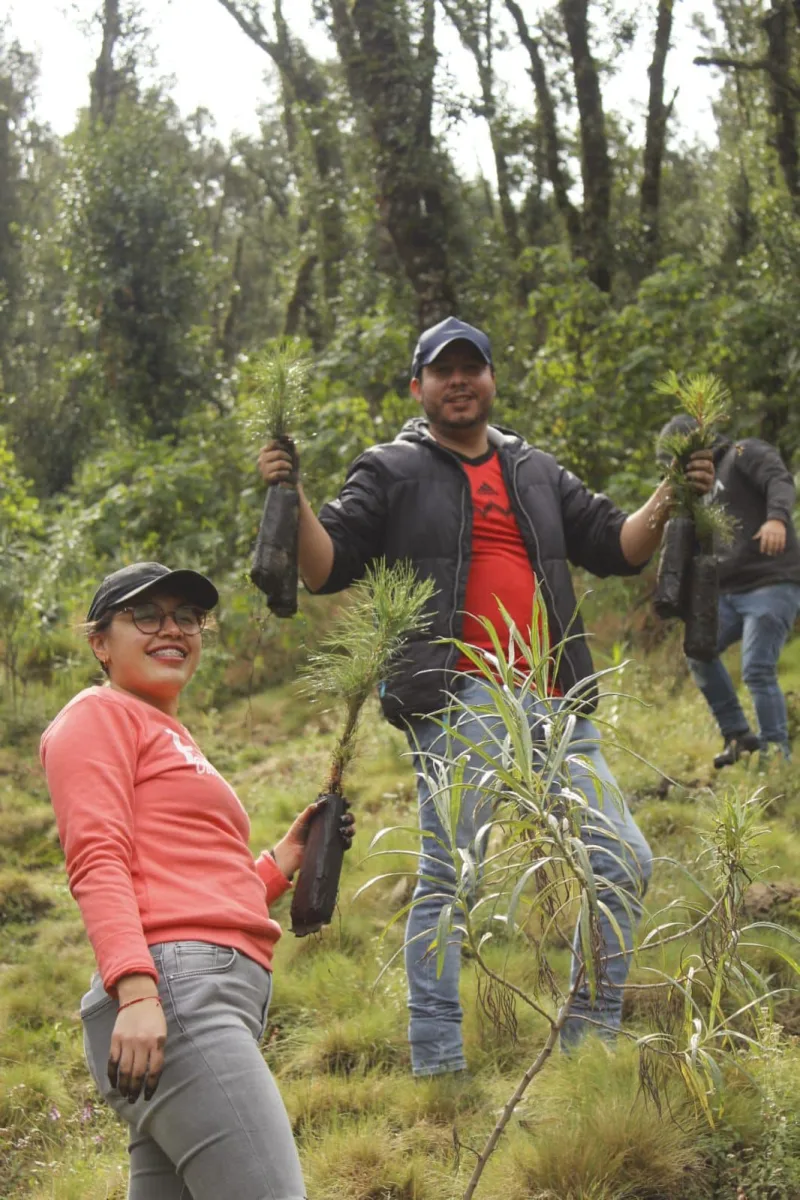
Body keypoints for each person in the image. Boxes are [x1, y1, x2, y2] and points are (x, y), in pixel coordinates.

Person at [258, 316, 714, 1077]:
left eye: (472, 367)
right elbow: (326, 566)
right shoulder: (390, 468)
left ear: (493, 379)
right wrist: (290, 491)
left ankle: (588, 1039)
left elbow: (617, 544)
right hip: (455, 693)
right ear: (419, 386)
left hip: (554, 697)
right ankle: (439, 1062)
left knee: (623, 859)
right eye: (443, 370)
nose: (459, 380)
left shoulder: (535, 467)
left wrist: (671, 491)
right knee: (452, 876)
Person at [40, 561, 354, 1200]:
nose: (173, 629)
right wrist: (136, 993)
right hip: (173, 996)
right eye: (146, 615)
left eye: (187, 616)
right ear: (100, 642)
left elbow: (182, 879)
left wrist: (278, 864)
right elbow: (98, 858)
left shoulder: (169, 733)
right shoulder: (97, 715)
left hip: (189, 992)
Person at [657, 416, 800, 767]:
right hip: (727, 591)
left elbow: (779, 480)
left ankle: (777, 755)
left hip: (771, 580)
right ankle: (738, 735)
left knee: (756, 668)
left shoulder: (743, 452)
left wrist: (776, 518)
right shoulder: (696, 490)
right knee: (698, 649)